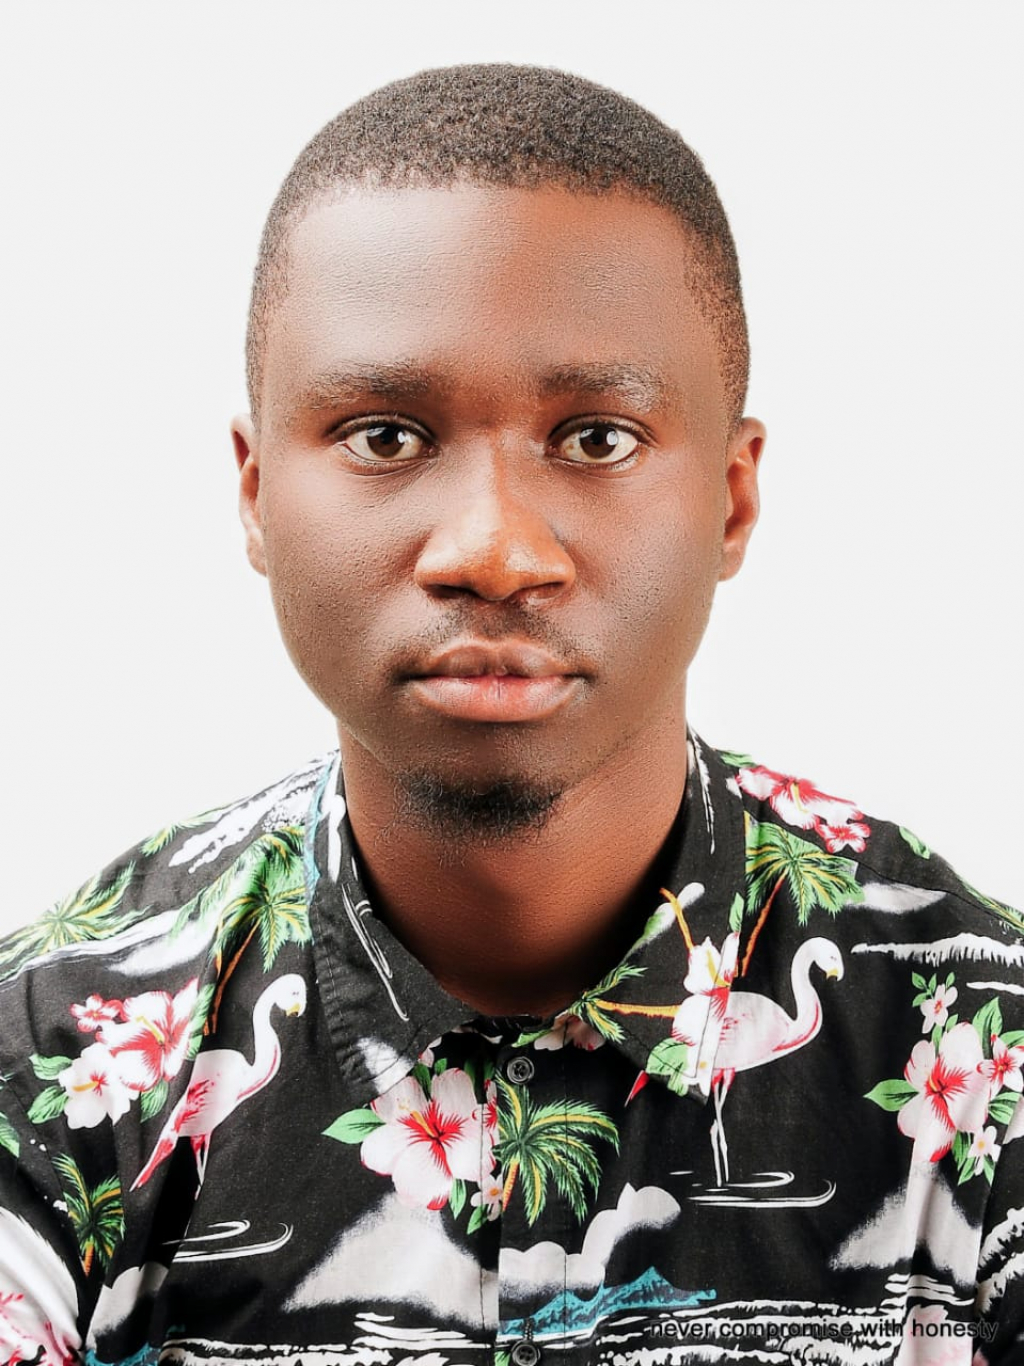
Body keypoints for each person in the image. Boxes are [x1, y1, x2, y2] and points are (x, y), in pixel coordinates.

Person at [0, 62, 1020, 1366]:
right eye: (385, 435)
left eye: (597, 438)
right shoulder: (55, 1056)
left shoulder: (985, 1049)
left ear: (732, 499)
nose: (493, 550)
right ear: (255, 494)